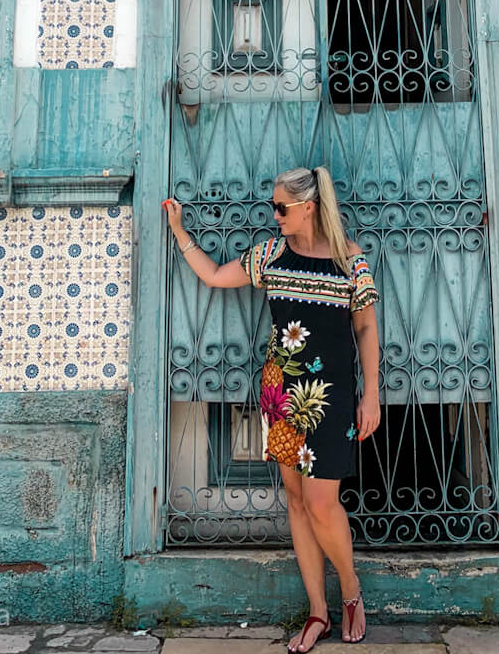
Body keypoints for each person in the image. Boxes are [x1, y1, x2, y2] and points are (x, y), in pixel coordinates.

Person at [164, 165, 380, 652]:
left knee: (323, 502)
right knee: (297, 502)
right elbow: (218, 277)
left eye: (281, 207)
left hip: (332, 397)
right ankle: (317, 613)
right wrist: (181, 233)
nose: (275, 214)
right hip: (279, 395)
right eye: (273, 207)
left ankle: (350, 594)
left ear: (309, 207)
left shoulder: (351, 261)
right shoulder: (270, 254)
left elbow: (366, 329)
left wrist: (371, 395)